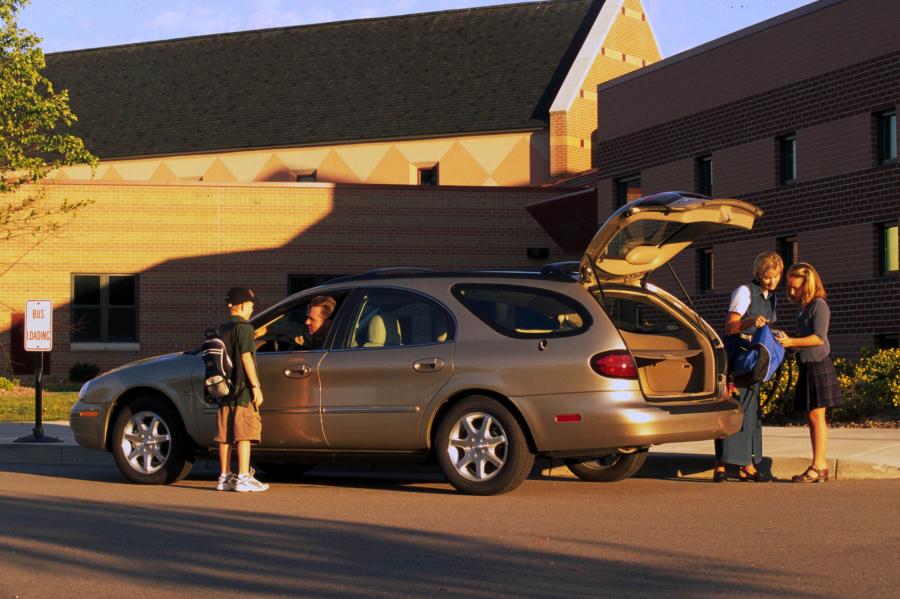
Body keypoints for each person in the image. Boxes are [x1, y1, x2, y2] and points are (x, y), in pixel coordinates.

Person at [714, 251, 784, 482]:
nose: (771, 281)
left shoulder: (771, 298)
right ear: (758, 274)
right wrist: (750, 321)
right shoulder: (745, 292)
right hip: (738, 355)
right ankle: (727, 464)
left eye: (775, 276)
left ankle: (745, 463)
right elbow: (730, 326)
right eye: (767, 277)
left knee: (751, 410)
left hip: (755, 358)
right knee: (735, 408)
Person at [778, 263, 843, 483]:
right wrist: (788, 344)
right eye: (790, 288)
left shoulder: (819, 306)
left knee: (817, 417)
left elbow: (819, 338)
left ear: (809, 283)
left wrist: (791, 341)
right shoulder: (804, 309)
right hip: (808, 364)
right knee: (812, 417)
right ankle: (818, 465)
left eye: (796, 287)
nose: (792, 292)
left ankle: (819, 466)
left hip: (819, 365)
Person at [215, 286, 269, 492]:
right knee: (244, 434)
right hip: (242, 392)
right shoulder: (244, 328)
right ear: (244, 305)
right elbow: (246, 356)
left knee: (225, 435)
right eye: (251, 306)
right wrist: (255, 386)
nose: (252, 309)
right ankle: (244, 477)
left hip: (224, 391)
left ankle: (224, 476)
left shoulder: (223, 329)